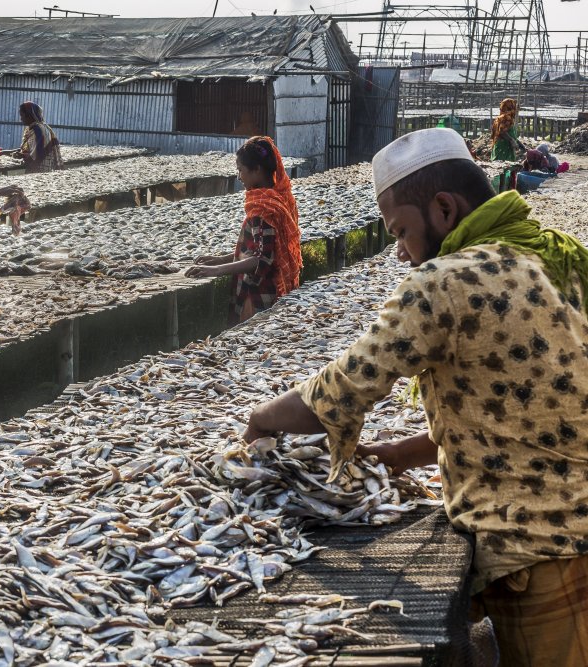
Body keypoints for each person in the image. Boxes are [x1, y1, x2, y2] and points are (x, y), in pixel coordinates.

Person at [240, 128, 588, 666]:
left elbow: (342, 388)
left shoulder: (444, 282)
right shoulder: (554, 255)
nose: (400, 252)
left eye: (401, 231)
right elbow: (526, 407)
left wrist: (261, 419)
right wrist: (404, 453)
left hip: (543, 550)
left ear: (444, 210)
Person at [186, 136, 302, 324]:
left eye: (241, 170)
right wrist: (222, 258)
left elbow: (262, 258)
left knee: (254, 337)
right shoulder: (279, 199)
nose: (239, 177)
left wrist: (216, 270)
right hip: (269, 291)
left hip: (258, 295)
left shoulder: (264, 208)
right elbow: (261, 249)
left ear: (257, 170)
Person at [14, 101, 63, 172]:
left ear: (29, 115)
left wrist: (22, 155)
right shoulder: (41, 127)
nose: (21, 119)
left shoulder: (38, 130)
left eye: (22, 115)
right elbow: (33, 150)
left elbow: (36, 155)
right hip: (47, 168)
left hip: (40, 169)